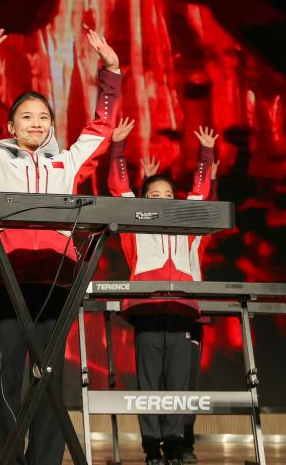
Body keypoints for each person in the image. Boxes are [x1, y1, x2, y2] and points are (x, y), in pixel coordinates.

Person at [0, 26, 121, 464]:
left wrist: (112, 71)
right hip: (6, 279)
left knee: (49, 377)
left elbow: (101, 129)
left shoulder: (68, 163)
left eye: (43, 117)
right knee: (4, 379)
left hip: (56, 281)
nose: (36, 123)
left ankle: (45, 460)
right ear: (11, 126)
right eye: (27, 116)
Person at [107, 117, 217, 465]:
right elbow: (119, 189)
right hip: (148, 312)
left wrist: (206, 153)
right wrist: (118, 148)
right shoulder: (134, 229)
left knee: (180, 386)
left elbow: (202, 194)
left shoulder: (189, 228)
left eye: (168, 196)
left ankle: (174, 444)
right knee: (149, 384)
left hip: (182, 312)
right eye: (154, 196)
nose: (163, 201)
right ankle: (151, 447)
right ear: (143, 201)